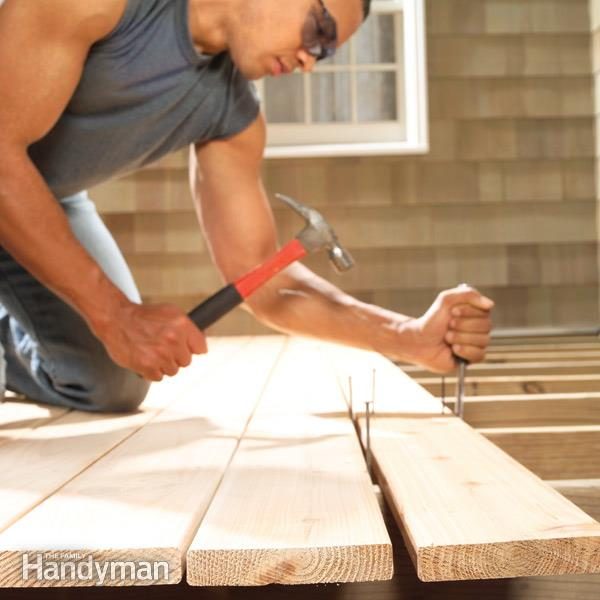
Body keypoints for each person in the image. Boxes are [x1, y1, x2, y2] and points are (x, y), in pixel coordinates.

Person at [0, 0, 494, 412]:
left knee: (112, 382)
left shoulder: (231, 117)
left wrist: (406, 336)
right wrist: (113, 312)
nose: (309, 60)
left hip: (41, 203)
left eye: (324, 54)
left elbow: (264, 282)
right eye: (318, 31)